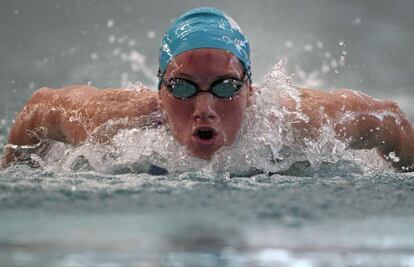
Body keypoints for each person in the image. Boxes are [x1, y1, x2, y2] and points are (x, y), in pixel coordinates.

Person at [2, 7, 414, 172]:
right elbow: (40, 110)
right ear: (159, 93)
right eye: (182, 88)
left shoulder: (301, 122)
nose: (204, 107)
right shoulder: (111, 123)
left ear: (251, 91)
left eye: (226, 87)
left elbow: (392, 119)